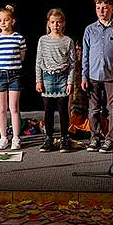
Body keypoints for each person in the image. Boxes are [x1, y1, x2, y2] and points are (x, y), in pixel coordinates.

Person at [82, 0, 113, 153]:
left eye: (105, 7)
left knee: (112, 109)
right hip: (93, 76)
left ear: (112, 9)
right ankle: (94, 137)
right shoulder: (89, 29)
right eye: (98, 8)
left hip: (112, 76)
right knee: (93, 109)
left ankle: (110, 139)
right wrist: (84, 76)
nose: (101, 11)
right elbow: (86, 55)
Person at [35, 8, 76, 152]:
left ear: (63, 23)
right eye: (53, 22)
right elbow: (38, 62)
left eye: (58, 22)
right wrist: (38, 80)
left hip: (62, 78)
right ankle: (49, 139)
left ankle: (65, 138)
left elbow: (72, 64)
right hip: (47, 78)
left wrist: (70, 82)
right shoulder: (43, 40)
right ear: (48, 23)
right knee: (48, 111)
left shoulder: (68, 41)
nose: (56, 25)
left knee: (63, 110)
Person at [0, 5, 26, 150]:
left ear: (12, 21)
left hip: (15, 74)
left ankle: (16, 137)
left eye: (6, 20)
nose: (3, 23)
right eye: (0, 20)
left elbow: (21, 57)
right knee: (1, 108)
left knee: (14, 108)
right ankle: (3, 137)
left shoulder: (19, 38)